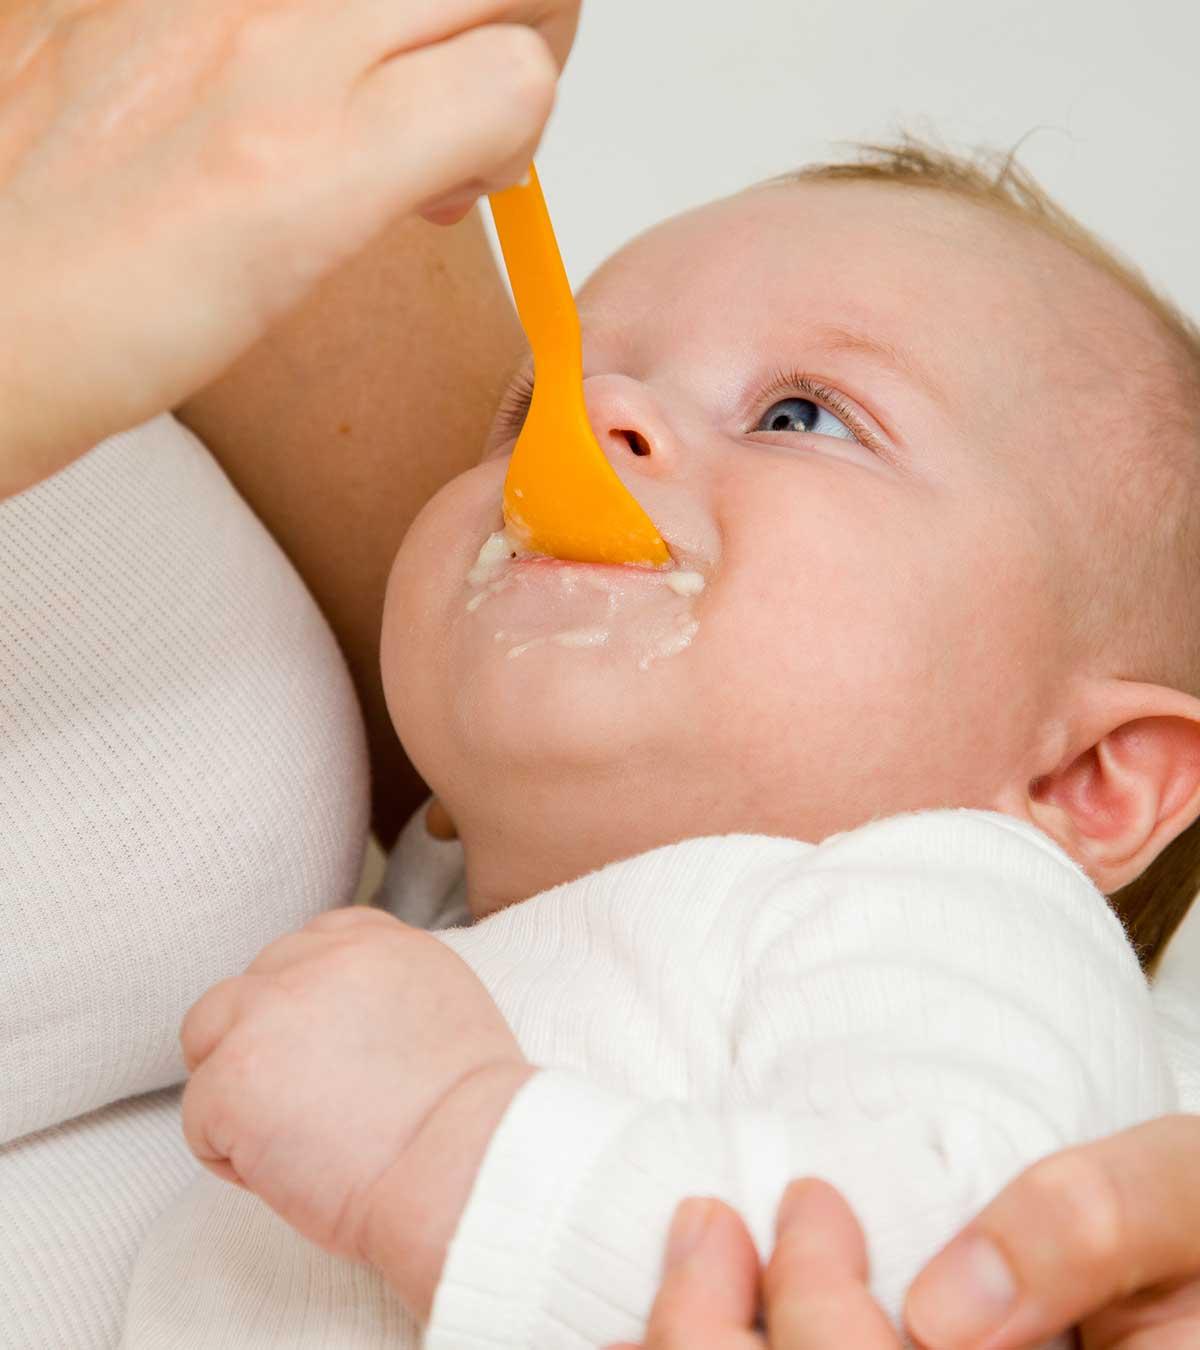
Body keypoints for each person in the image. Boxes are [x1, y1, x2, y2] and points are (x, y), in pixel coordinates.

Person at [118, 143, 1200, 1348]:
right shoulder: (440, 924)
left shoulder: (947, 907)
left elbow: (964, 1262)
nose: (592, 416)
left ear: (1084, 782)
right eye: (535, 404)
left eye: (800, 414)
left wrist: (449, 1149)